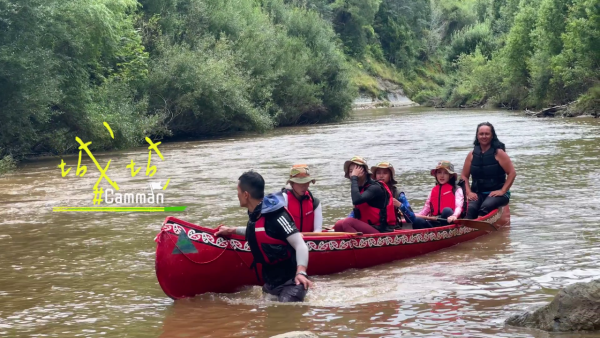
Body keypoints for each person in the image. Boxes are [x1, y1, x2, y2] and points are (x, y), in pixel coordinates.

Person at [215, 171, 313, 302]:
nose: (237, 195)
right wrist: (231, 230)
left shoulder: (277, 215)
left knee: (285, 314)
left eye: (238, 192)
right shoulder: (255, 217)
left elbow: (300, 244)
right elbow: (261, 233)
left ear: (246, 195)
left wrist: (301, 272)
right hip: (271, 284)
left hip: (291, 283)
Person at [461, 122, 517, 219]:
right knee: (469, 209)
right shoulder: (472, 154)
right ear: (477, 136)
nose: (484, 136)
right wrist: (469, 192)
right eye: (481, 134)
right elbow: (464, 176)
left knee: (485, 207)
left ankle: (479, 223)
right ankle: (465, 227)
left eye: (487, 134)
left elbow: (512, 173)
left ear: (492, 136)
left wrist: (503, 191)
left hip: (498, 194)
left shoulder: (499, 153)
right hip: (477, 194)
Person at [333, 156, 396, 234]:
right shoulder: (359, 188)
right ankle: (343, 244)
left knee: (347, 222)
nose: (353, 173)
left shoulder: (375, 188)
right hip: (367, 227)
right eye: (351, 171)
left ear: (365, 172)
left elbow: (356, 200)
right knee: (339, 224)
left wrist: (354, 178)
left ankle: (357, 244)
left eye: (356, 171)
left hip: (381, 230)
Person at [413, 161, 465, 228]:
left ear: (451, 175)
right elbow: (425, 210)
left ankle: (445, 233)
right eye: (439, 172)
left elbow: (459, 207)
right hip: (433, 222)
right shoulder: (433, 190)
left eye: (445, 173)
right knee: (417, 220)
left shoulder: (457, 189)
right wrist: (412, 215)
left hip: (449, 220)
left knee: (447, 210)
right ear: (436, 174)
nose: (442, 176)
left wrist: (454, 216)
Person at [369, 161, 416, 227]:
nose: (381, 176)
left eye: (385, 173)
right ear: (375, 176)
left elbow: (412, 219)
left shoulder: (398, 194)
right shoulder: (369, 192)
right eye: (378, 173)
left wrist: (400, 205)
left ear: (390, 176)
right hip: (372, 226)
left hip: (391, 228)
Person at [281, 164, 323, 233]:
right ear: (292, 183)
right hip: (289, 238)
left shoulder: (315, 203)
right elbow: (282, 228)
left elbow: (318, 230)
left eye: (306, 182)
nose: (304, 186)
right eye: (300, 183)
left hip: (310, 240)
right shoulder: (283, 199)